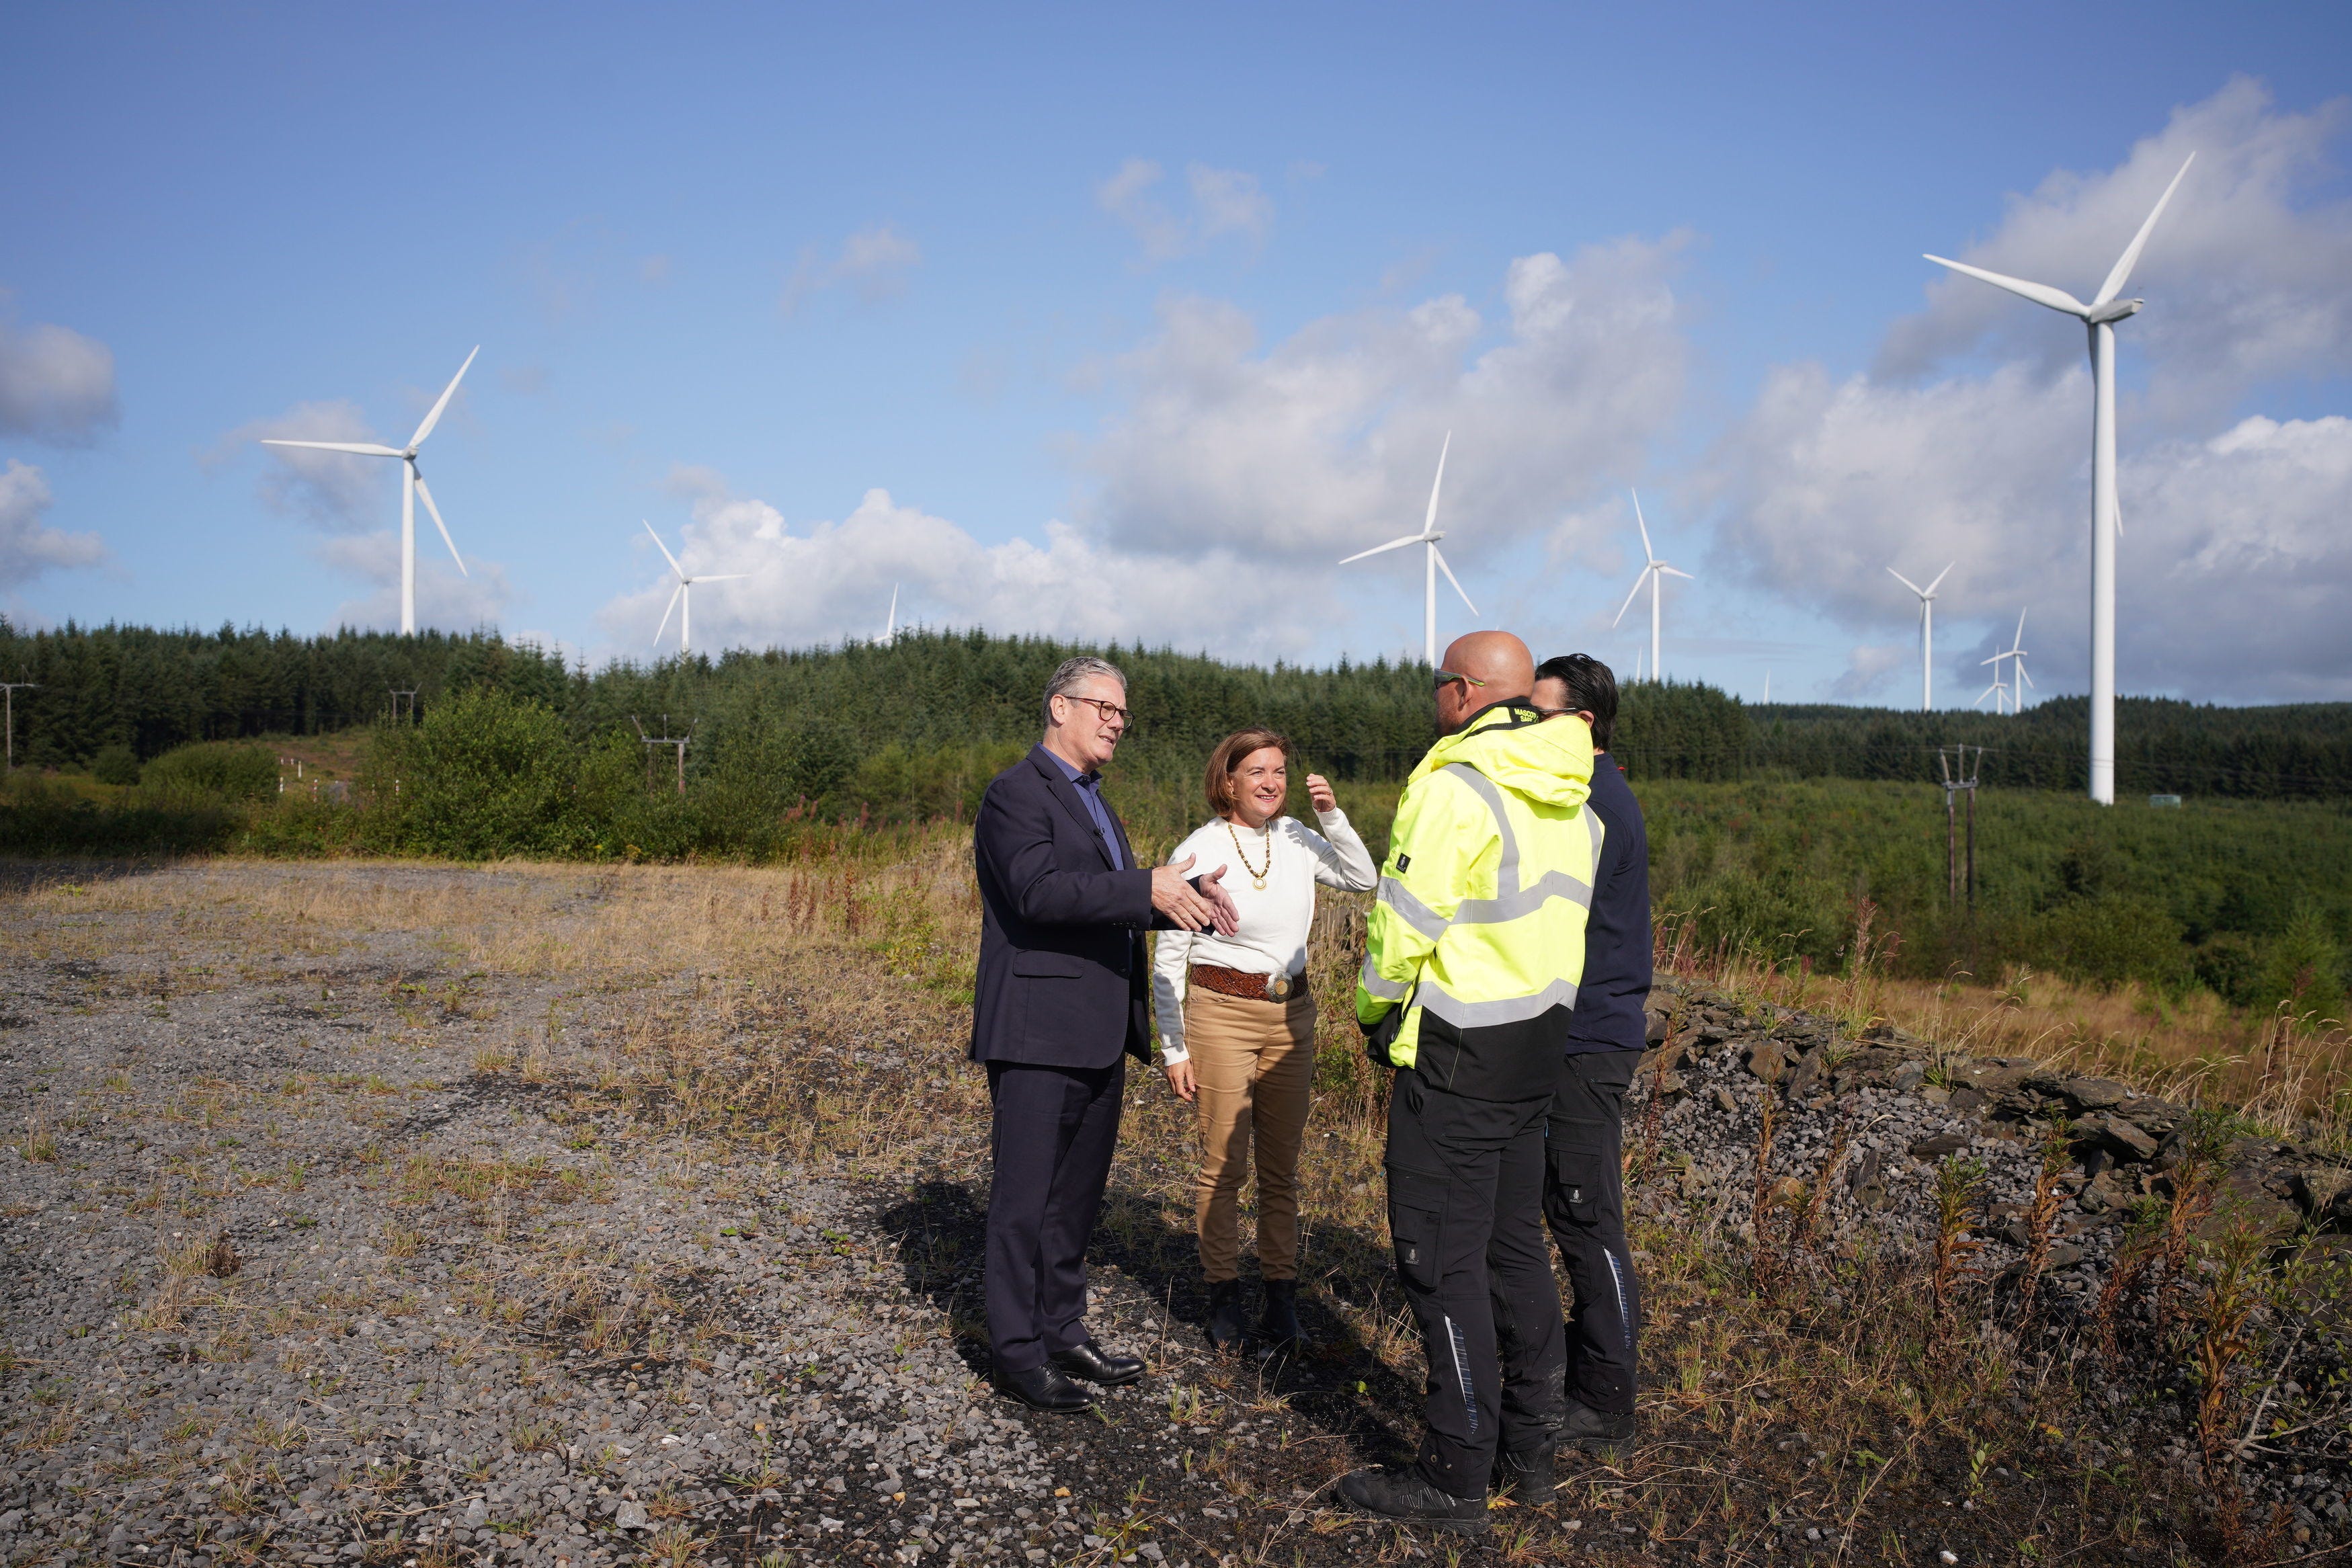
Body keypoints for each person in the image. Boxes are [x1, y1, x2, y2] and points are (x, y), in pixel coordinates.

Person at [1338, 630, 1601, 1534]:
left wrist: (1372, 1012)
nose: (1433, 701)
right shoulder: (1576, 794)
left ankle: (1452, 1477)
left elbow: (1402, 924)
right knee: (1510, 1249)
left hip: (1452, 1059)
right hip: (1535, 1054)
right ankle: (1528, 1453)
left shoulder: (1454, 785)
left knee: (1436, 1265)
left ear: (1461, 694)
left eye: (1436, 686)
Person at [969, 655, 1239, 1413]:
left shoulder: (1096, 801)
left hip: (1098, 1030)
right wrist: (1140, 883)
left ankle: (1062, 1327)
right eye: (1103, 706)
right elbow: (1037, 891)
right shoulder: (1015, 793)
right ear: (1059, 706)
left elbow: (1104, 898)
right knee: (1024, 1199)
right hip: (1036, 1031)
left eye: (1123, 712)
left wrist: (1174, 894)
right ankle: (1017, 1352)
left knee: (1075, 1199)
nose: (1116, 720)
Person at [1151, 730, 1377, 1351]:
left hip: (1291, 1016)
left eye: (1278, 770)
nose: (1271, 782)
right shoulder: (1198, 849)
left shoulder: (1299, 837)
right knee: (1223, 1165)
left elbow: (1361, 876)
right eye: (1256, 771)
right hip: (1219, 1012)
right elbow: (1169, 954)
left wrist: (1331, 814)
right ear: (1228, 780)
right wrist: (1173, 1046)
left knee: (1281, 1170)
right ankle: (1222, 1294)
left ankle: (1281, 1297)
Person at [1531, 653, 1651, 1458]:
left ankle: (1607, 1397)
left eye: (1536, 713)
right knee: (1572, 1208)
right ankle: (1590, 1371)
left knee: (1586, 1215)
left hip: (1586, 1038)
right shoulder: (1591, 796)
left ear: (1580, 721)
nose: (1524, 728)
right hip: (1579, 1033)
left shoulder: (1594, 804)